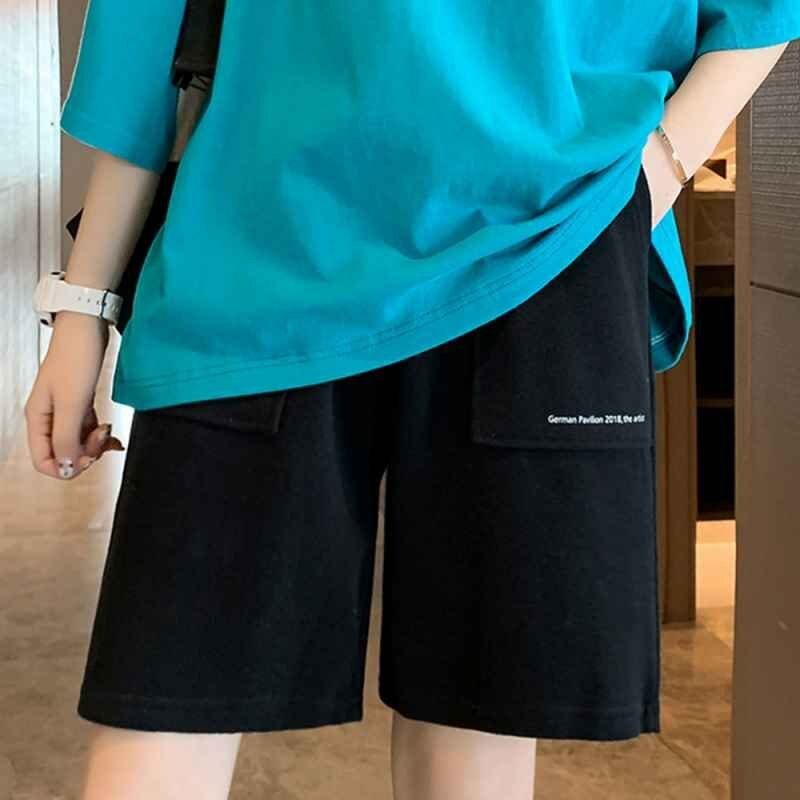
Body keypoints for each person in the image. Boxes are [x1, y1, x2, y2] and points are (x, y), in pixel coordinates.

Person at [24, 1, 799, 797]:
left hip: (547, 240)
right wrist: (82, 303)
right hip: (260, 238)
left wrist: (655, 171)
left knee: (475, 719)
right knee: (165, 693)